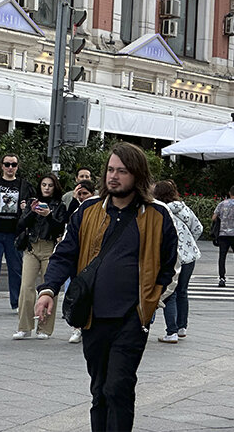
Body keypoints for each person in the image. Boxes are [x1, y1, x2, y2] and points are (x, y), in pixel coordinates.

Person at [35, 142, 178, 432]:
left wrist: (150, 303)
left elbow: (170, 265)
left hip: (131, 318)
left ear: (137, 175)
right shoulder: (87, 210)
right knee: (99, 390)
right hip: (93, 317)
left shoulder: (158, 214)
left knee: (118, 387)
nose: (114, 176)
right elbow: (65, 253)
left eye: (122, 171)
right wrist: (48, 289)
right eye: (111, 170)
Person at [13, 174, 67, 340]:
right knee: (26, 287)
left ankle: (44, 328)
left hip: (50, 248)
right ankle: (24, 327)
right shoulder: (32, 202)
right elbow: (21, 225)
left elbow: (59, 228)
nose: (46, 188)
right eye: (44, 185)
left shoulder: (59, 205)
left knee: (49, 288)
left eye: (50, 185)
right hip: (31, 247)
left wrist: (49, 215)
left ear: (54, 187)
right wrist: (32, 211)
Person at [154, 180, 203, 343]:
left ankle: (171, 331)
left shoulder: (159, 210)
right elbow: (198, 228)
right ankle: (182, 328)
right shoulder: (183, 208)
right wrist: (189, 243)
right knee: (182, 291)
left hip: (171, 256)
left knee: (169, 292)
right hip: (189, 256)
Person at [0, 153, 34, 312]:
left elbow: (33, 206)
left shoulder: (24, 185)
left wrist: (27, 208)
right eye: (7, 164)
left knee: (16, 269)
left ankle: (16, 303)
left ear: (17, 166)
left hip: (15, 232)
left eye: (13, 164)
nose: (10, 167)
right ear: (2, 166)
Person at [65, 179, 96, 344]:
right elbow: (67, 219)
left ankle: (87, 324)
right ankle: (77, 328)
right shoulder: (76, 206)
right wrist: (75, 199)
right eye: (80, 193)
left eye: (85, 194)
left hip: (91, 256)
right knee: (76, 291)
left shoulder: (97, 207)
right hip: (76, 255)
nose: (82, 196)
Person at [212, 185, 234, 287]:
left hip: (223, 234)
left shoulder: (222, 204)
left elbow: (214, 217)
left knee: (222, 256)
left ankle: (222, 278)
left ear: (229, 193)